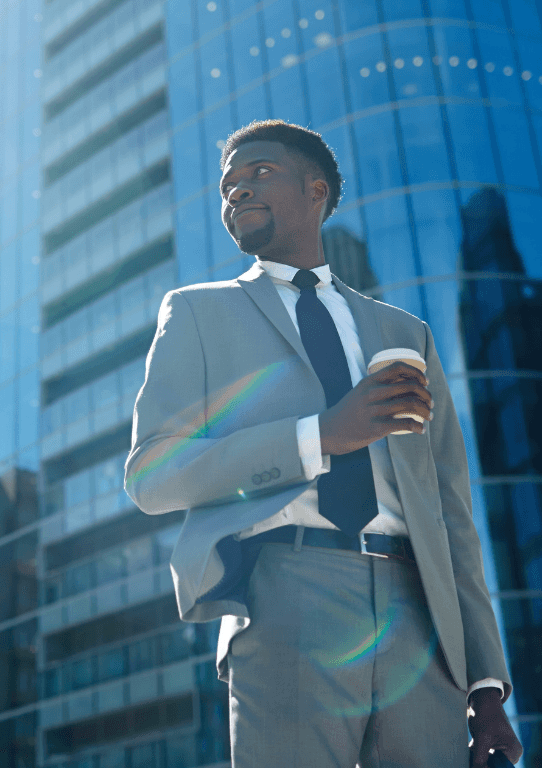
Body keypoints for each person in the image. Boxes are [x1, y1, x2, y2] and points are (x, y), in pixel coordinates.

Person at [123, 119, 523, 767]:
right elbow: (151, 475)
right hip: (285, 589)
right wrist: (319, 438)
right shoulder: (198, 313)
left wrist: (484, 685)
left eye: (259, 174)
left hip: (420, 614)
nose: (237, 192)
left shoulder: (405, 333)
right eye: (228, 186)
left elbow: (450, 513)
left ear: (316, 191)